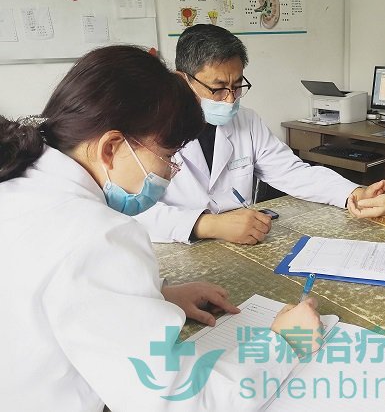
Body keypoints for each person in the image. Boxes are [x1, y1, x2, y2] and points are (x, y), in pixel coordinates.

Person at [0, 46, 322, 411]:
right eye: (168, 156)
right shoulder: (96, 235)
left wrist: (154, 296)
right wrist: (282, 345)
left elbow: (55, 295)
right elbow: (176, 399)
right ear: (111, 148)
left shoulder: (23, 179)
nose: (170, 171)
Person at [136, 24, 385, 245]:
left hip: (243, 242)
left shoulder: (246, 121)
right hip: (176, 249)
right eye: (218, 88)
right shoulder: (148, 130)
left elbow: (293, 173)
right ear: (182, 79)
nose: (230, 99)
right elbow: (132, 209)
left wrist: (355, 192)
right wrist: (206, 224)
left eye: (237, 86)